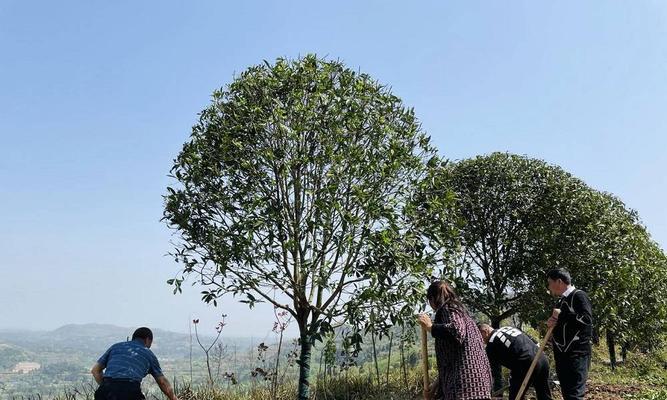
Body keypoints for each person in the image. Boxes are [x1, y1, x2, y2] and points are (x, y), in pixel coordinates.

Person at [417, 280, 492, 400]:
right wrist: (434, 391)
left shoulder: (449, 308)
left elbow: (456, 331)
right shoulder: (463, 315)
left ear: (432, 300)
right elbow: (449, 364)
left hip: (464, 388)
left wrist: (430, 327)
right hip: (478, 387)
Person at [91, 327, 179, 400]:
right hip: (129, 391)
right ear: (148, 340)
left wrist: (106, 387)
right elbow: (162, 382)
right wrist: (174, 398)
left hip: (104, 391)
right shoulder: (148, 354)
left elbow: (95, 370)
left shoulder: (116, 347)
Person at [546, 269, 593, 400]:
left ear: (559, 281)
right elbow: (564, 323)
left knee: (575, 394)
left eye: (550, 283)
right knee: (567, 394)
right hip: (562, 355)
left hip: (576, 354)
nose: (549, 287)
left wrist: (561, 316)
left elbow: (586, 320)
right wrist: (552, 323)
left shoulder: (578, 296)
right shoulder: (561, 301)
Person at [478, 324, 552, 400]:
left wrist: (498, 395)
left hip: (525, 362)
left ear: (484, 332)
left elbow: (496, 374)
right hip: (541, 357)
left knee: (515, 396)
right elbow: (532, 340)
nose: (481, 342)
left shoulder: (491, 344)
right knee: (544, 395)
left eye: (480, 338)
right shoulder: (508, 328)